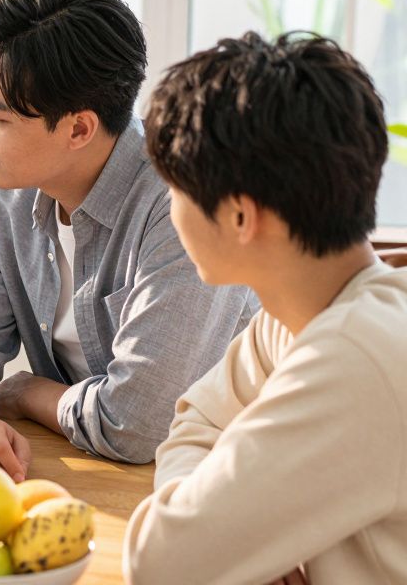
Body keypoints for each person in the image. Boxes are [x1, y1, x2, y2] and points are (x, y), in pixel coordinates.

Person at [0, 0, 257, 477]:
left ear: (78, 128)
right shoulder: (6, 196)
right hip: (86, 476)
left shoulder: (186, 204)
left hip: (212, 483)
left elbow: (137, 425)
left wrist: (29, 392)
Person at [124, 32, 407, 584]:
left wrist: (220, 539)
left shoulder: (354, 357)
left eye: (174, 188)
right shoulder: (299, 315)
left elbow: (160, 563)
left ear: (238, 217)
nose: (169, 207)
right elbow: (196, 420)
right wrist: (244, 545)